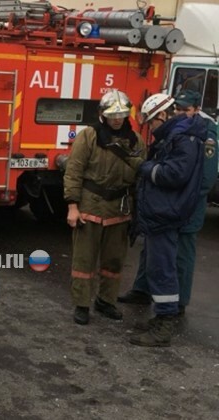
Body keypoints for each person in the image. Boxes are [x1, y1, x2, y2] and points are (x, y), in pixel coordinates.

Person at [118, 90, 218, 315]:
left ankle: (177, 302)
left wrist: (181, 201)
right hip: (170, 203)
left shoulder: (203, 135)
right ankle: (142, 290)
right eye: (179, 109)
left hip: (187, 204)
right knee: (152, 251)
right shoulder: (177, 133)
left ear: (196, 109)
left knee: (180, 255)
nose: (181, 113)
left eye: (186, 110)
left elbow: (204, 178)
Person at [64, 90, 146, 325]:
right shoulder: (88, 136)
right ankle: (82, 304)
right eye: (112, 114)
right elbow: (74, 172)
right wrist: (73, 206)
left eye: (121, 114)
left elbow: (140, 176)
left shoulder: (136, 141)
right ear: (102, 115)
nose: (117, 119)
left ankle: (105, 301)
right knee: (84, 261)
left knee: (114, 261)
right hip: (90, 206)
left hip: (120, 209)